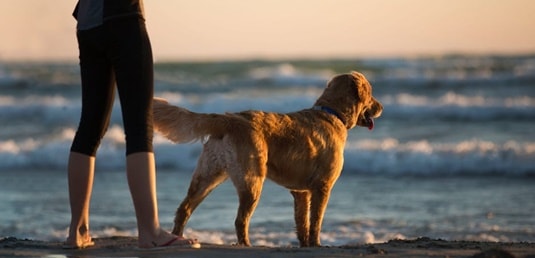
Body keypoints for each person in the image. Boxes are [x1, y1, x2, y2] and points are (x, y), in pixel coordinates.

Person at [65, 0, 200, 249]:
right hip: (124, 17)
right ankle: (150, 231)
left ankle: (77, 230)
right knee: (139, 127)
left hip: (88, 23)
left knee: (90, 127)